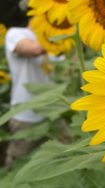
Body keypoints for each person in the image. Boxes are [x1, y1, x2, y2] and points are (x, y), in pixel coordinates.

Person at [4, 15, 61, 166]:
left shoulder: (50, 44)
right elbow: (35, 49)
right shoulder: (16, 34)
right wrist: (57, 31)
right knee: (20, 166)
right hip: (25, 116)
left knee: (50, 164)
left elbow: (67, 67)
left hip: (50, 114)